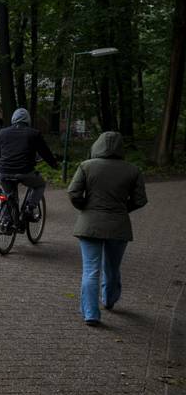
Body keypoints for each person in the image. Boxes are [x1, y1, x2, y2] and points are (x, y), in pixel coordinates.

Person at [67, 131, 147, 326]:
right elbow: (140, 200)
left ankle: (91, 313)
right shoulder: (132, 170)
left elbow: (73, 192)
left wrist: (85, 208)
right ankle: (109, 300)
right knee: (112, 267)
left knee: (90, 270)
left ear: (97, 145)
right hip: (118, 226)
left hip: (89, 225)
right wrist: (122, 209)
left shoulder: (86, 166)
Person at [0, 108, 58, 221]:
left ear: (13, 119)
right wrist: (53, 164)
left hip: (4, 171)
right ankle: (29, 208)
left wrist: (0, 166)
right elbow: (44, 152)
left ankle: (5, 223)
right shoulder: (34, 133)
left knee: (9, 195)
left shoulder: (2, 133)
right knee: (40, 185)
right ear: (28, 120)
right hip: (24, 171)